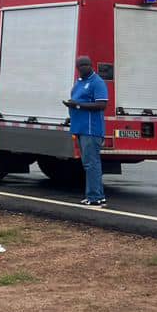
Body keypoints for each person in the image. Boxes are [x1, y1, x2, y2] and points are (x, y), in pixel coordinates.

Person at [64, 55, 109, 207]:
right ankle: (98, 195)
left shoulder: (97, 82)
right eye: (80, 66)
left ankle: (94, 197)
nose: (83, 68)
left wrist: (77, 106)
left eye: (85, 65)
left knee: (91, 163)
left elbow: (101, 105)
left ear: (91, 65)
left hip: (91, 129)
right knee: (88, 163)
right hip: (80, 128)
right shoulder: (79, 82)